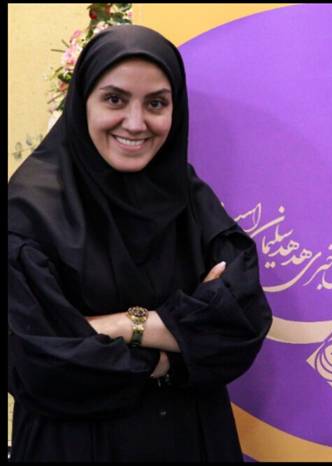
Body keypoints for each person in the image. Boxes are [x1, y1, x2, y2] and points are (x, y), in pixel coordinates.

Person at [7, 24, 273, 462]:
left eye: (156, 103)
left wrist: (121, 326)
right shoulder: (29, 212)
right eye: (114, 99)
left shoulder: (186, 194)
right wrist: (173, 354)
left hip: (192, 438)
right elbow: (40, 364)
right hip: (76, 445)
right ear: (83, 101)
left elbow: (242, 322)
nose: (135, 123)